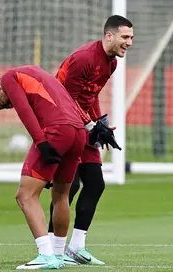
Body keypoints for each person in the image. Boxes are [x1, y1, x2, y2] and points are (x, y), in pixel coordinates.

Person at [47, 14, 134, 266]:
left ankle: (76, 248)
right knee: (68, 187)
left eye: (131, 37)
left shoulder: (111, 63)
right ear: (109, 35)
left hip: (83, 123)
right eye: (125, 37)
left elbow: (90, 95)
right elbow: (68, 99)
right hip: (63, 123)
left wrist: (100, 124)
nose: (129, 42)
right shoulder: (84, 58)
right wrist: (91, 124)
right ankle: (52, 250)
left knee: (95, 183)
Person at [0, 65, 86, 269]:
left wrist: (41, 143)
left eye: (4, 104)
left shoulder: (8, 78)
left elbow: (25, 112)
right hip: (78, 132)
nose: (10, 106)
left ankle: (46, 255)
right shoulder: (40, 74)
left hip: (57, 130)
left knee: (25, 195)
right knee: (61, 196)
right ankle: (58, 254)